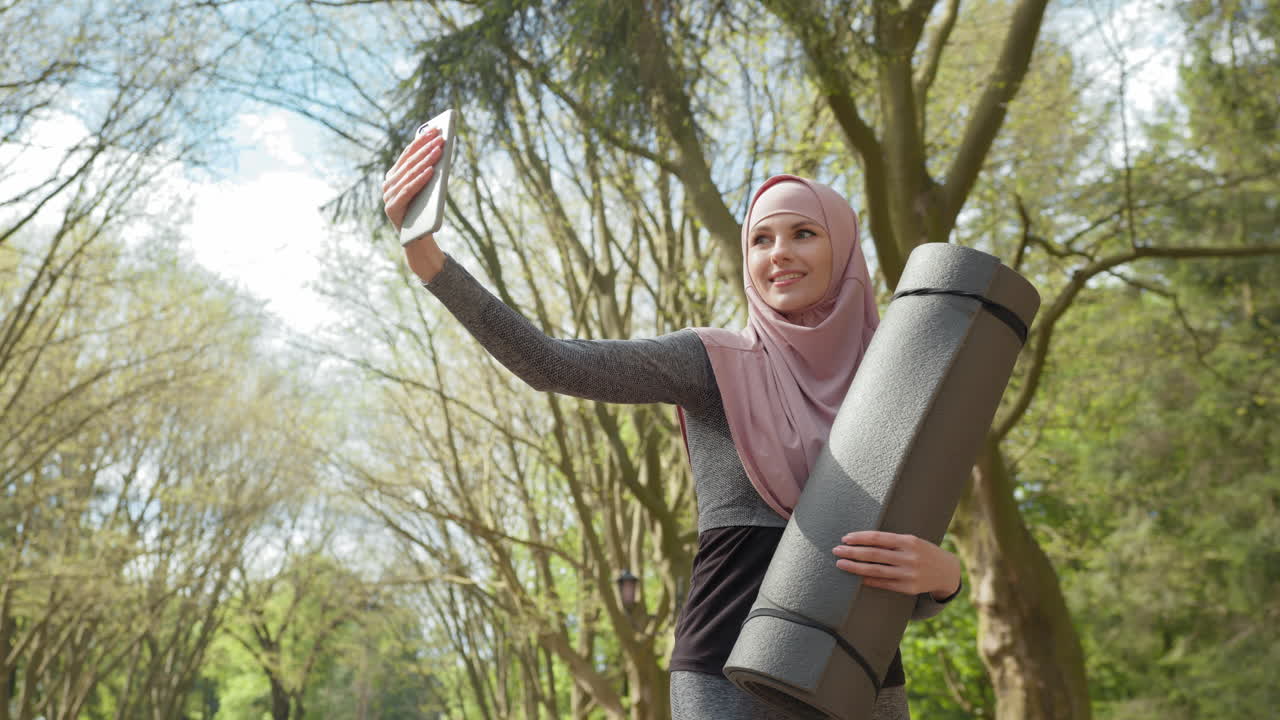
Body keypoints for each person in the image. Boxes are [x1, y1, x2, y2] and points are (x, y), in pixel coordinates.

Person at [383, 127, 963, 720]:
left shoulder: (895, 386)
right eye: (760, 240)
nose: (778, 253)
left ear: (843, 248)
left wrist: (945, 578)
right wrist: (429, 261)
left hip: (861, 680)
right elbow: (549, 362)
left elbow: (879, 567)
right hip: (726, 678)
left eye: (804, 234)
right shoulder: (711, 362)